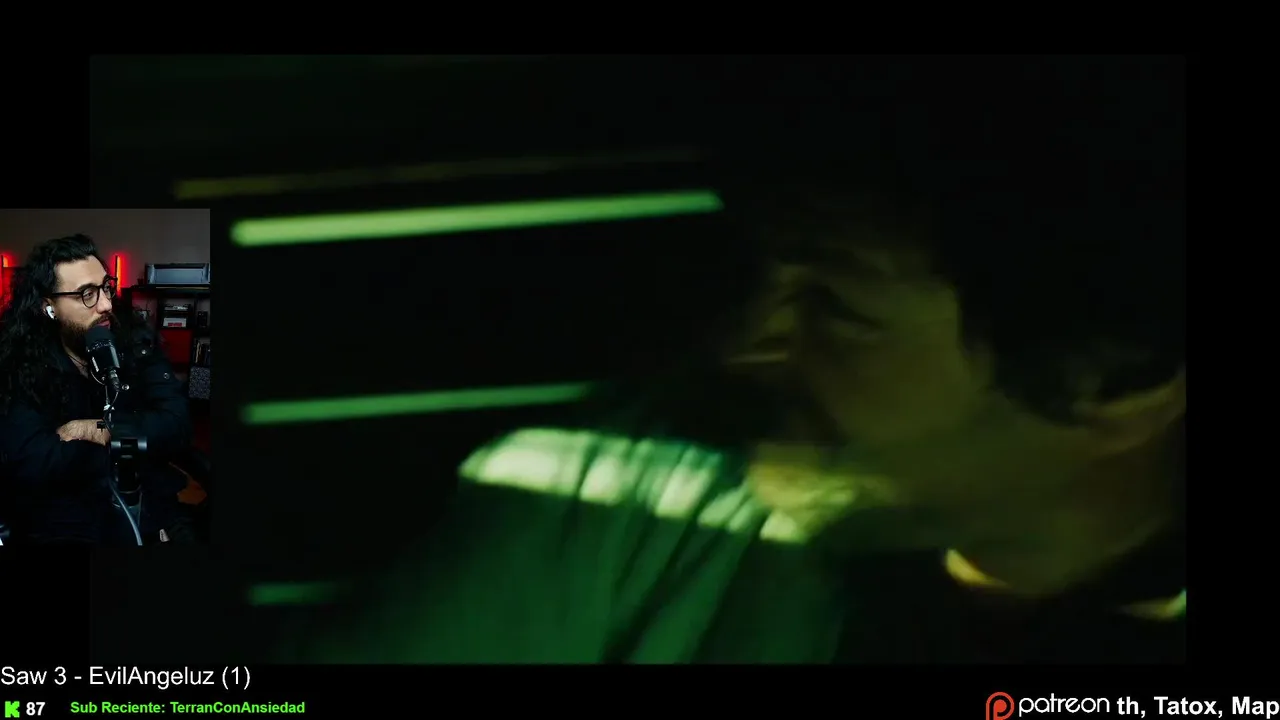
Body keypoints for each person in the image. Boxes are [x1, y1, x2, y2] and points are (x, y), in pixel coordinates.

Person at [286, 56, 1185, 663]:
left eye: (837, 306)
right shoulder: (625, 493)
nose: (742, 344)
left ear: (1114, 385)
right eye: (763, 271)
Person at [0, 234, 193, 545]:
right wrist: (132, 444)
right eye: (86, 294)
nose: (106, 304)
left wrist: (97, 430)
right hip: (62, 519)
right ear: (49, 306)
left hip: (148, 504)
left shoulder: (135, 340)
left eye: (105, 287)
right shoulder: (20, 363)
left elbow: (176, 424)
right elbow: (33, 459)